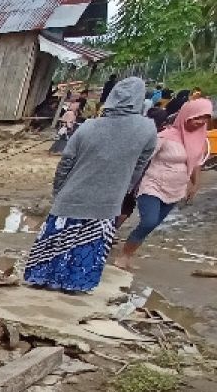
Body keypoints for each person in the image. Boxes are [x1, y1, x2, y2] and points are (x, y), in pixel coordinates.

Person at [24, 78, 158, 292]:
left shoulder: (89, 126)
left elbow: (66, 162)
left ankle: (43, 279)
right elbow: (139, 167)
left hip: (70, 198)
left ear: (112, 96)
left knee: (56, 243)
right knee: (88, 245)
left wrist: (58, 191)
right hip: (108, 201)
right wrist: (122, 190)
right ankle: (74, 284)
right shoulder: (147, 129)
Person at [113, 97, 213, 270]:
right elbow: (143, 158)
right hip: (152, 184)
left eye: (205, 118)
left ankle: (127, 255)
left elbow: (197, 163)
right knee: (149, 221)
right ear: (186, 115)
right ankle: (122, 254)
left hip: (176, 189)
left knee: (152, 225)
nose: (200, 122)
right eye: (197, 117)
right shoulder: (165, 136)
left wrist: (195, 185)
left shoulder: (200, 139)